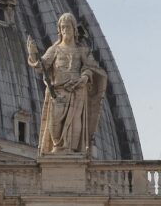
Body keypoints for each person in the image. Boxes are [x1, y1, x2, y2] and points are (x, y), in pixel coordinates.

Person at [27, 13, 108, 155]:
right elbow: (42, 66)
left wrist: (84, 77)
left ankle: (71, 149)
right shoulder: (54, 49)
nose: (65, 30)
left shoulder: (81, 50)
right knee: (54, 120)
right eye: (63, 27)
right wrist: (33, 54)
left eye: (68, 27)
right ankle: (57, 146)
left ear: (74, 29)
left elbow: (91, 68)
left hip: (76, 90)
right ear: (59, 30)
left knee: (75, 120)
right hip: (58, 91)